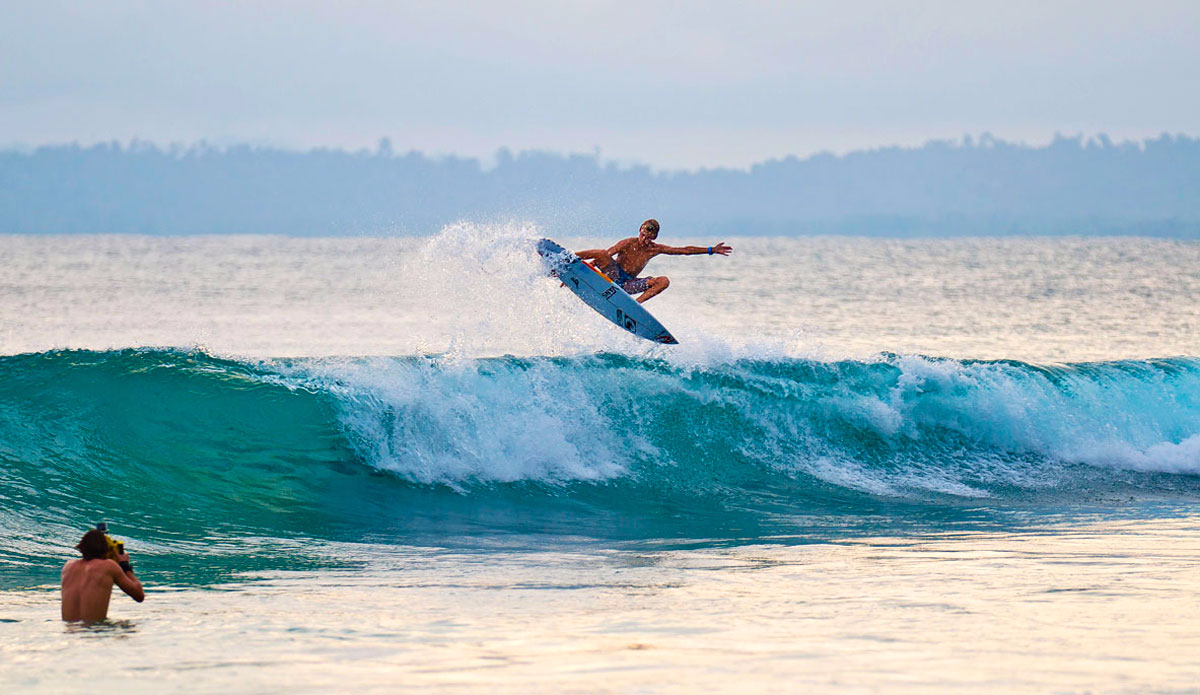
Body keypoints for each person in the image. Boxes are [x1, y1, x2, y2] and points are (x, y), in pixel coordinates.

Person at [575, 219, 732, 303]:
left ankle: (635, 305)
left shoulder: (654, 249)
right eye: (643, 235)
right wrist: (582, 272)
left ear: (655, 237)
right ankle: (568, 258)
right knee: (602, 252)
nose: (644, 240)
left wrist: (711, 249)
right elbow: (603, 257)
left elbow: (684, 250)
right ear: (639, 231)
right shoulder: (628, 243)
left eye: (649, 238)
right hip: (612, 275)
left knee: (663, 281)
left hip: (628, 284)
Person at [61, 528, 144, 622]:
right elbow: (139, 595)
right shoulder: (108, 566)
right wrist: (125, 565)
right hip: (95, 631)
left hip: (69, 632)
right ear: (106, 549)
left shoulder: (68, 566)